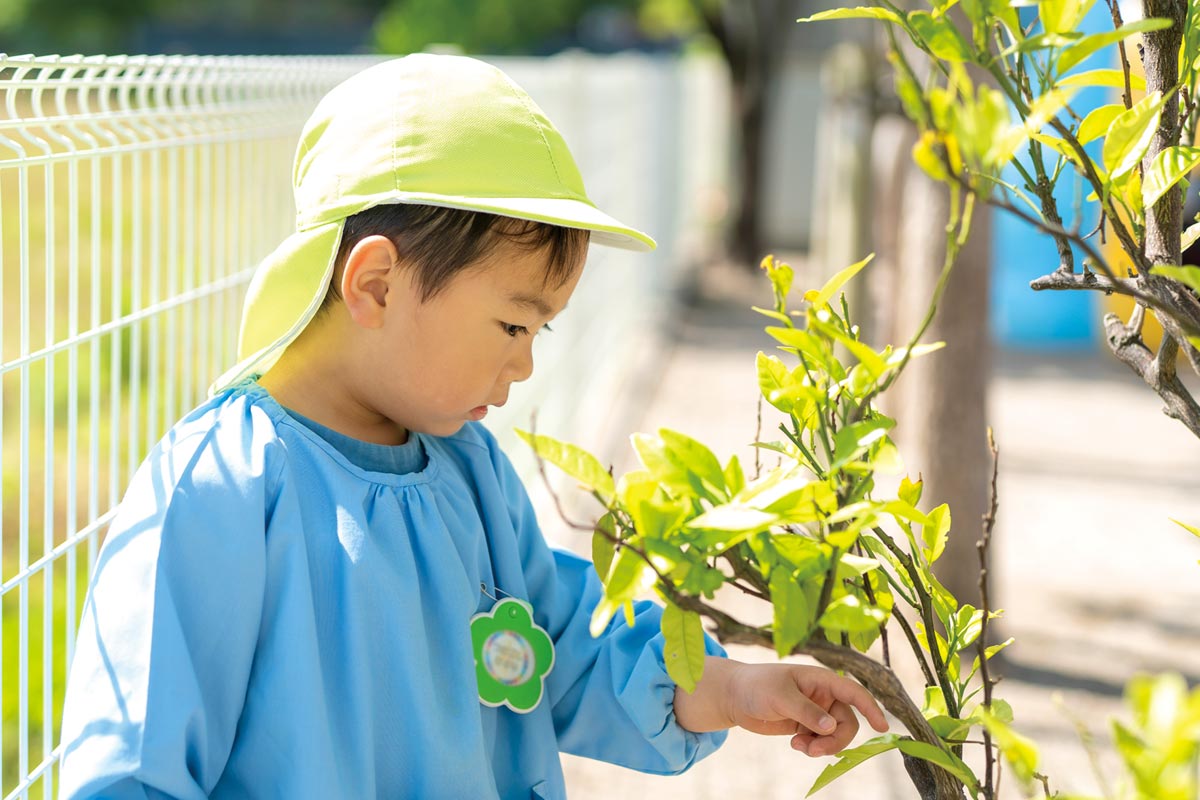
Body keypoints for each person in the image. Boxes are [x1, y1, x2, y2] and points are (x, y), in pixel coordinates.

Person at [57, 53, 888, 799]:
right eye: (513, 326)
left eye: (540, 333)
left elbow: (569, 646)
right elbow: (131, 766)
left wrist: (735, 691)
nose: (524, 364)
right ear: (376, 284)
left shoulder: (468, 472)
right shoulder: (219, 487)